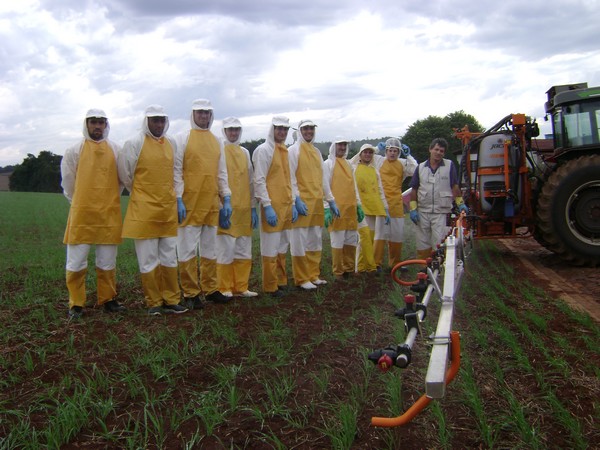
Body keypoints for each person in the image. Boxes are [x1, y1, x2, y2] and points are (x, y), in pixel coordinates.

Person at [118, 105, 188, 316]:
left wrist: (178, 199)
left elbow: (176, 172)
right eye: (154, 120)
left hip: (167, 208)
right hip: (144, 209)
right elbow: (126, 174)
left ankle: (171, 299)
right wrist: (141, 193)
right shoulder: (134, 143)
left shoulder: (172, 143)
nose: (158, 124)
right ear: (146, 121)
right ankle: (153, 302)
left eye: (161, 120)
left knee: (169, 256)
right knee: (148, 258)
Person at [61, 108, 126, 319]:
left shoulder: (116, 149)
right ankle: (76, 304)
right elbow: (68, 183)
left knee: (107, 260)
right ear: (86, 124)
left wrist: (108, 200)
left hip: (108, 213)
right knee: (76, 261)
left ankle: (108, 299)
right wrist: (80, 202)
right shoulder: (74, 150)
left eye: (101, 122)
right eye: (93, 122)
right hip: (82, 214)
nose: (97, 126)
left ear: (106, 125)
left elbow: (122, 179)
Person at [174, 99, 232, 309]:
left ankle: (211, 289)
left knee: (210, 249)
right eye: (200, 113)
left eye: (207, 113)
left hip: (210, 203)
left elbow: (221, 172)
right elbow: (177, 171)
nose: (204, 117)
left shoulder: (217, 141)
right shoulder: (182, 138)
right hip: (189, 204)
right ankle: (190, 293)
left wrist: (226, 198)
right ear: (193, 114)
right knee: (187, 250)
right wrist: (178, 198)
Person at [288, 119, 339, 290]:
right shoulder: (293, 151)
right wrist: (296, 200)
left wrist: (330, 200)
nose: (309, 131)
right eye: (305, 129)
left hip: (316, 202)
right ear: (299, 131)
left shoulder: (317, 152)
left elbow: (323, 178)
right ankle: (302, 278)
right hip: (302, 202)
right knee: (299, 241)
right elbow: (291, 177)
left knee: (315, 240)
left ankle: (313, 274)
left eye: (311, 128)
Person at [252, 116, 297, 297]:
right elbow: (259, 179)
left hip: (285, 205)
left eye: (285, 129)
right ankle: (270, 286)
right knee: (270, 247)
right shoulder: (263, 150)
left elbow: (289, 179)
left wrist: (293, 202)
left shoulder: (283, 150)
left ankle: (281, 280)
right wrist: (267, 205)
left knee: (282, 245)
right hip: (272, 206)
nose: (282, 132)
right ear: (272, 129)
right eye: (279, 129)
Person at [216, 117, 259, 298]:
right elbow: (216, 179)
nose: (233, 133)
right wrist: (220, 206)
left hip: (243, 208)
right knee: (225, 250)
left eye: (236, 130)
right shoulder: (219, 151)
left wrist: (252, 207)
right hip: (227, 208)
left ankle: (241, 286)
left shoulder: (244, 153)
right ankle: (223, 287)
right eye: (230, 130)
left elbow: (250, 179)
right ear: (224, 131)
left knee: (243, 248)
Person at [409, 137, 467, 260]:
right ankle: (424, 267)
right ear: (430, 149)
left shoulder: (449, 165)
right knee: (422, 241)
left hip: (441, 212)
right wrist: (413, 209)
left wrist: (460, 203)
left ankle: (439, 267)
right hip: (422, 211)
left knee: (439, 241)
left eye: (442, 151)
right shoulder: (420, 168)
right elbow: (414, 189)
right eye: (436, 149)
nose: (438, 152)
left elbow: (454, 186)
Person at [372, 137, 418, 269]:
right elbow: (366, 157)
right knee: (380, 234)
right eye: (390, 150)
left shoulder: (403, 163)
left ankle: (395, 263)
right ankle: (376, 263)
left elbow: (415, 170)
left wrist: (408, 155)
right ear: (386, 151)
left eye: (395, 151)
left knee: (397, 234)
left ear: (399, 153)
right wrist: (376, 149)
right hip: (381, 201)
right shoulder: (379, 161)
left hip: (397, 202)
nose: (392, 153)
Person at [323, 138, 363, 279]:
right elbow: (325, 186)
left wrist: (358, 205)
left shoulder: (348, 164)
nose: (342, 147)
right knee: (337, 241)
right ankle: (338, 271)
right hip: (336, 209)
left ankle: (349, 269)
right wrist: (327, 207)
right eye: (340, 144)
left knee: (351, 240)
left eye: (344, 145)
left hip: (350, 208)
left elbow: (354, 186)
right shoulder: (328, 164)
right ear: (334, 146)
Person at [349, 144, 390, 274]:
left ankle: (366, 266)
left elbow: (380, 190)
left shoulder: (374, 170)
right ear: (360, 154)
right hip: (360, 207)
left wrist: (385, 208)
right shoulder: (354, 168)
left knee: (370, 237)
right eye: (365, 152)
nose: (367, 155)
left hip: (373, 207)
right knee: (363, 238)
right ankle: (361, 267)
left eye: (370, 153)